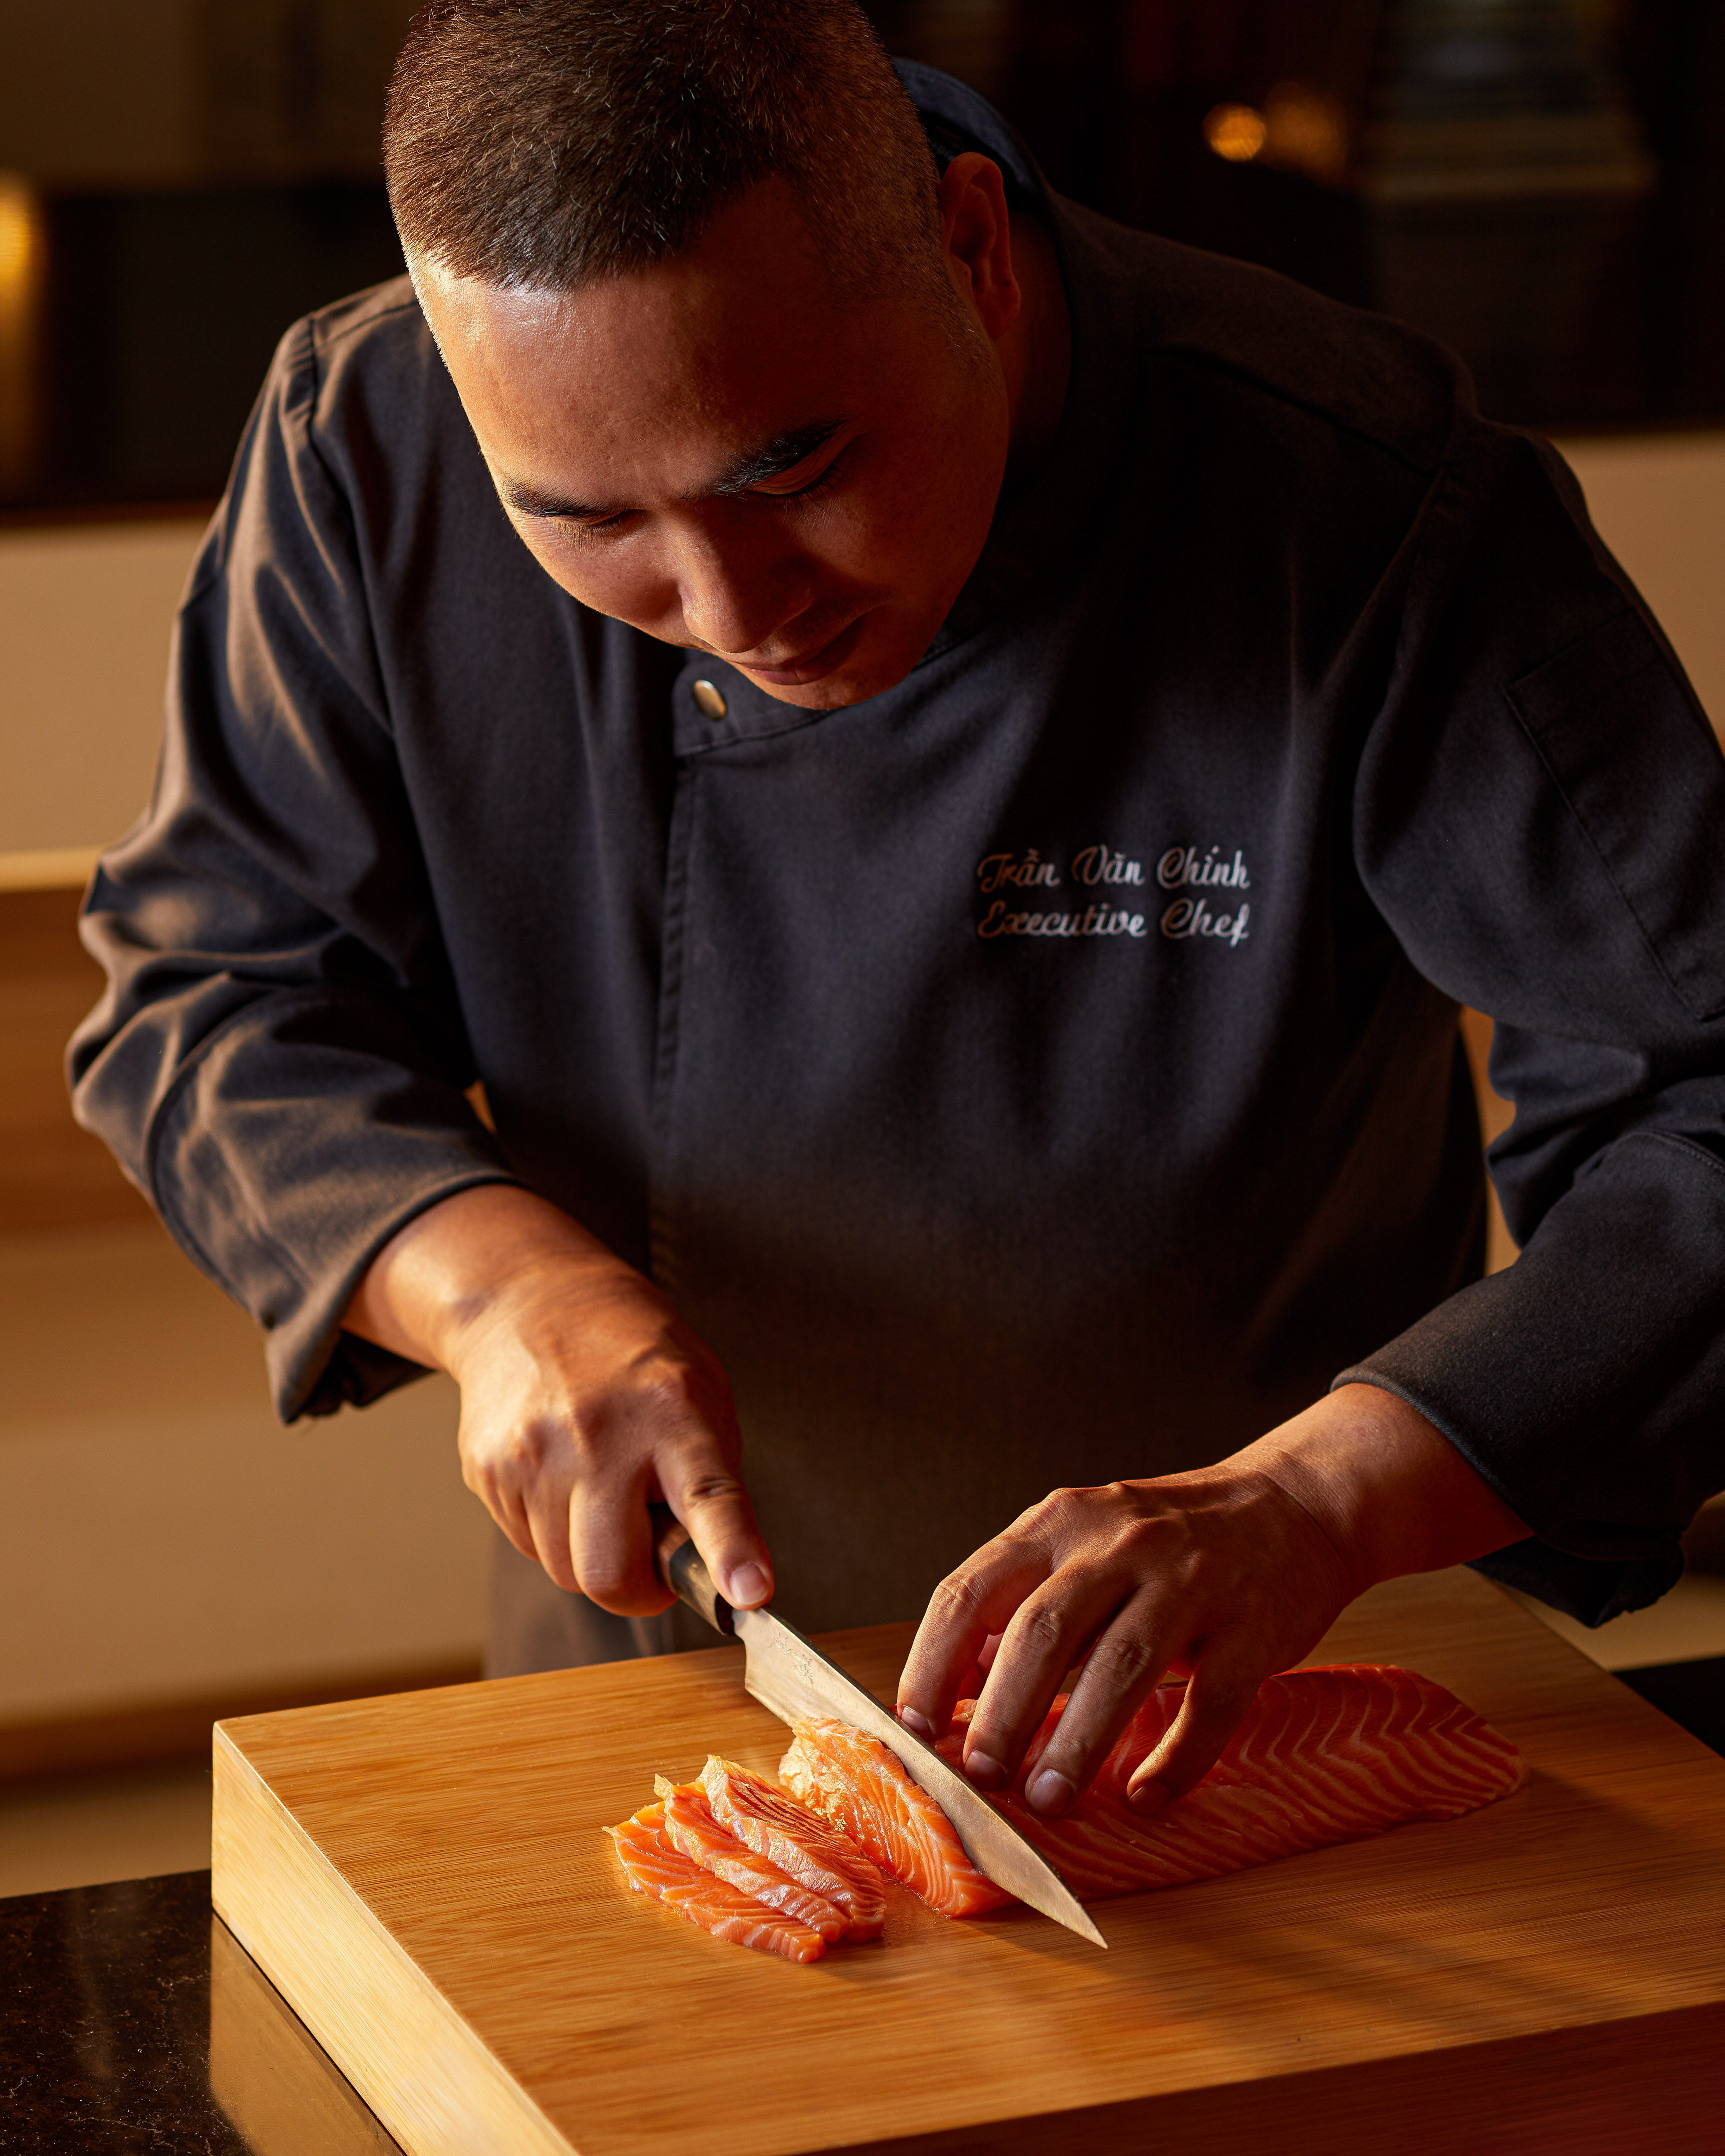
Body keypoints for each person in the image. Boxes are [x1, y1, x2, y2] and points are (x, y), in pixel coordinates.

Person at [72, 0, 1724, 1825]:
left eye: (795, 470)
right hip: (657, 1689)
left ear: (970, 251)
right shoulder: (360, 447)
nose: (730, 608)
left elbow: (1705, 1099)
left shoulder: (1369, 505)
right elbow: (211, 990)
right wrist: (493, 1290)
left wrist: (1319, 1499)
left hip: (1279, 1685)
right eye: (589, 522)